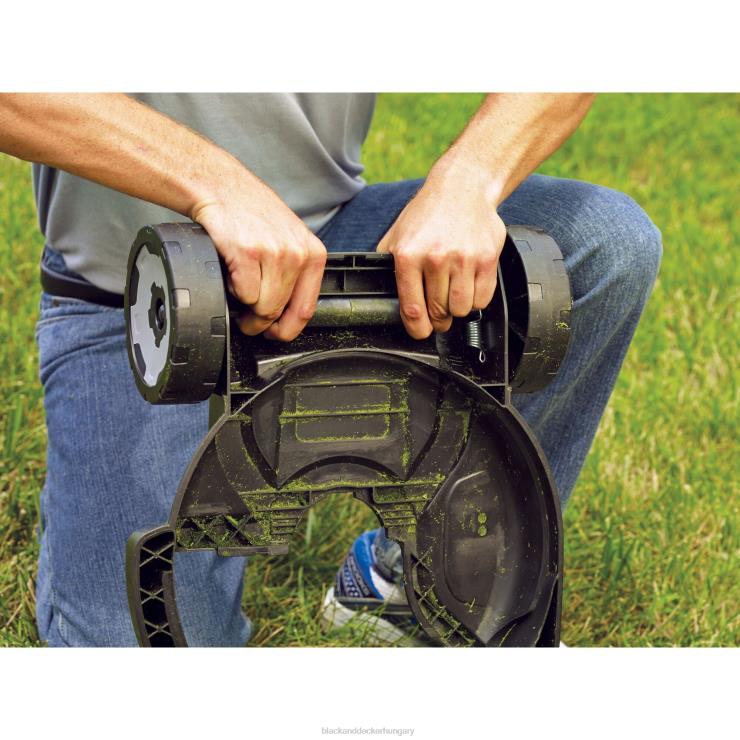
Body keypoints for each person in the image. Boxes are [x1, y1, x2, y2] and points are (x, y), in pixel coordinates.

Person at [0, 93, 662, 646]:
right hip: (139, 295)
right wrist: (215, 185)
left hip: (333, 243)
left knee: (602, 243)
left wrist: (468, 184)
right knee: (137, 667)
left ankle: (415, 576)